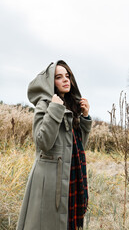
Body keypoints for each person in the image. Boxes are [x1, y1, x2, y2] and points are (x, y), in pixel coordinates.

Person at [16, 60, 92, 230]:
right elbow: (43, 142)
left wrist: (85, 118)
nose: (66, 80)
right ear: (51, 82)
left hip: (72, 172)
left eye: (68, 76)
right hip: (50, 179)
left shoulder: (73, 106)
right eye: (59, 77)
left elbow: (79, 147)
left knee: (69, 224)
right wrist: (55, 109)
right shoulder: (44, 104)